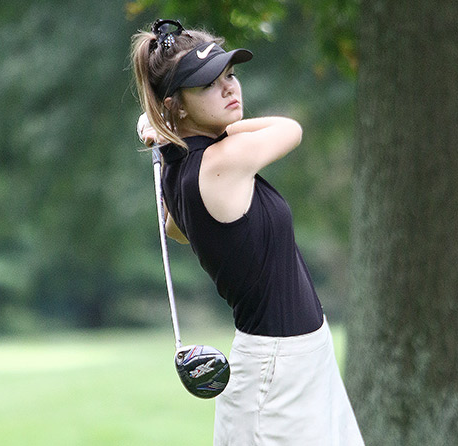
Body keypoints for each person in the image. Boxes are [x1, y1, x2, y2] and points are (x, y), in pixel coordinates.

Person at [130, 19, 364, 445]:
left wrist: (168, 134)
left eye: (230, 76)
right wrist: (171, 131)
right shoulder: (221, 159)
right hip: (277, 370)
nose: (230, 89)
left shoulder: (182, 169)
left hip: (292, 358)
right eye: (208, 85)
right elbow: (290, 130)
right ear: (176, 104)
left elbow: (177, 229)